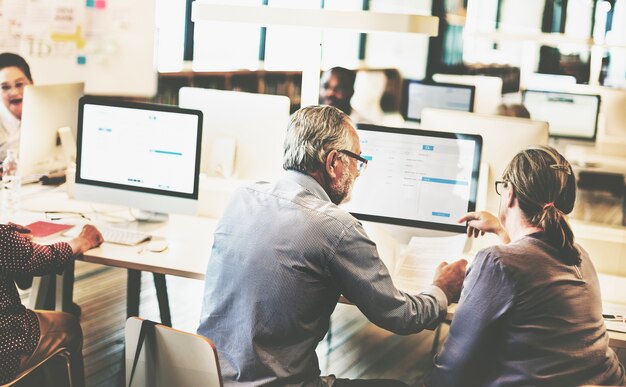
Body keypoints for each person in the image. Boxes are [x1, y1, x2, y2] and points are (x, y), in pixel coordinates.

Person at [197, 105, 467, 386]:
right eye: (357, 161)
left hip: (213, 379)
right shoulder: (336, 227)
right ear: (334, 162)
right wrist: (441, 289)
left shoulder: (242, 196)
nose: (359, 173)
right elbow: (401, 317)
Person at [425, 146, 625, 386]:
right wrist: (502, 229)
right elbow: (533, 263)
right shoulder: (579, 255)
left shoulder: (496, 263)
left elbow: (450, 371)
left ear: (508, 194)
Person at [0, 223, 103, 386]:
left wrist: (14, 242)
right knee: (70, 326)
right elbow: (47, 259)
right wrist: (84, 240)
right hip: (5, 353)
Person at [0, 52, 33, 160]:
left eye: (19, 84)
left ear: (32, 83)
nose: (14, 92)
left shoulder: (49, 115)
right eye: (5, 87)